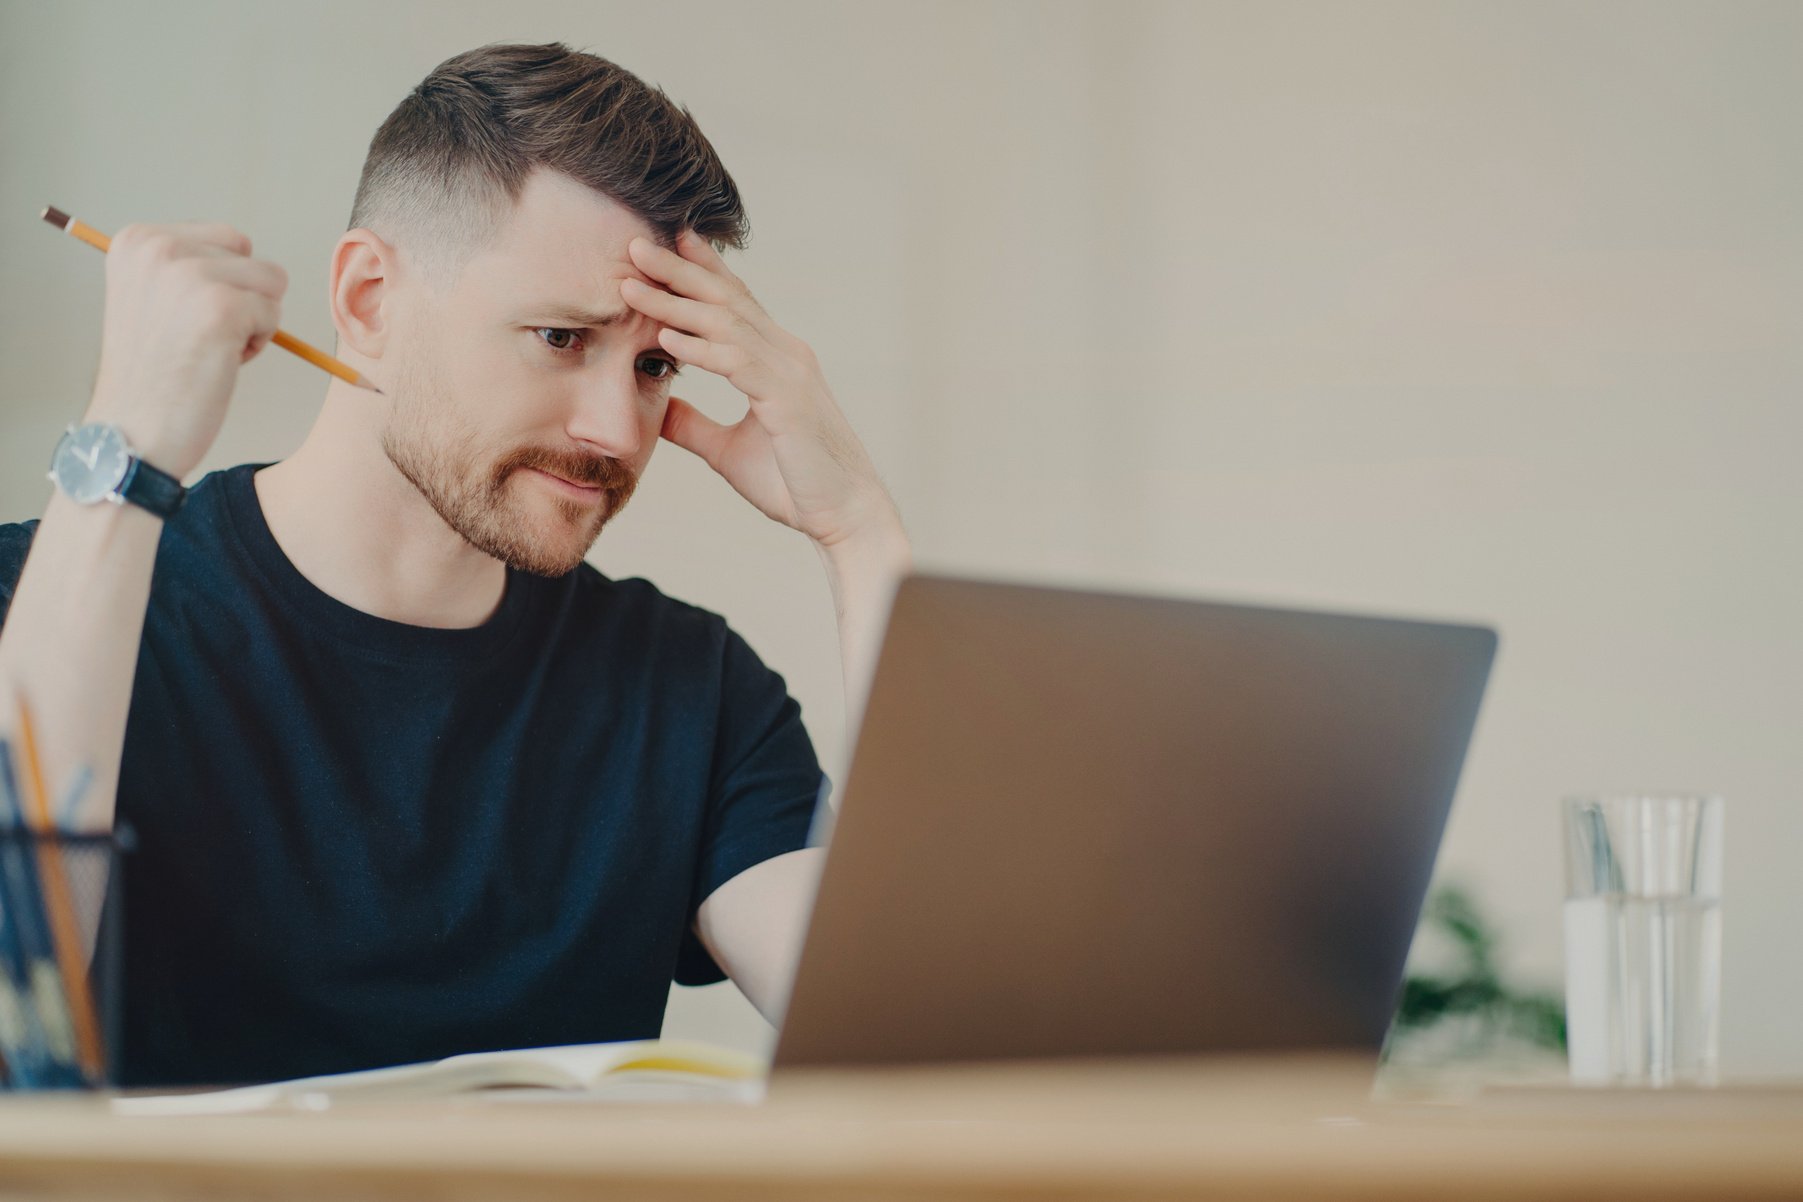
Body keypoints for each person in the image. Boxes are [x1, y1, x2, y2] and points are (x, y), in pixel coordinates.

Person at [0, 42, 911, 1086]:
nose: (619, 428)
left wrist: (859, 532)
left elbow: (940, 1048)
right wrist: (126, 445)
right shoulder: (47, 593)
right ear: (370, 300)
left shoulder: (693, 693)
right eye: (563, 337)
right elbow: (13, 976)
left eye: (655, 363)